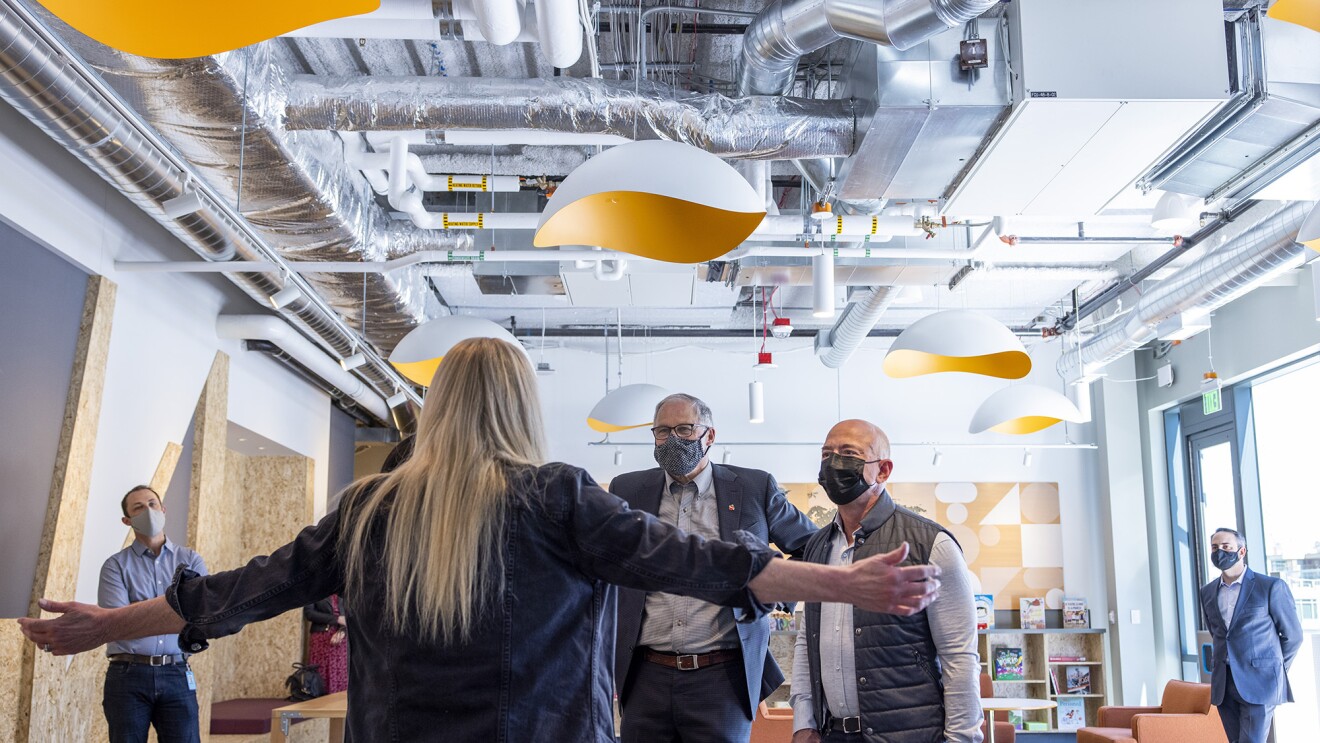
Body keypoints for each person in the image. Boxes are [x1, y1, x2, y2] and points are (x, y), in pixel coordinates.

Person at [19, 338, 941, 742]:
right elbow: (696, 562)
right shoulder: (556, 497)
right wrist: (841, 584)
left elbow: (238, 591)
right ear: (517, 409)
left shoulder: (371, 508)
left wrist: (105, 626)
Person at [612, 393, 817, 743]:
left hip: (722, 678)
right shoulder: (628, 489)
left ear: (710, 436)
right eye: (662, 431)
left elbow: (812, 547)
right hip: (645, 675)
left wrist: (774, 594)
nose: (672, 439)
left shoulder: (754, 488)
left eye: (684, 428)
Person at [791, 420, 982, 743]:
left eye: (849, 454)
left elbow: (959, 656)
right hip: (832, 734)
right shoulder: (817, 547)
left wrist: (962, 738)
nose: (834, 463)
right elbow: (807, 640)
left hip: (909, 733)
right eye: (827, 454)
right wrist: (804, 721)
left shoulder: (930, 544)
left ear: (883, 471)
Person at [98, 485, 208, 743]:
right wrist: (175, 611)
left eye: (152, 504)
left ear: (163, 509)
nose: (148, 510)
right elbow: (118, 623)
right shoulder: (115, 566)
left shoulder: (190, 560)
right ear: (128, 520)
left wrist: (141, 614)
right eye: (138, 507)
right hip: (128, 675)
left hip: (177, 672)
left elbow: (201, 615)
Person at [1199, 527, 1301, 743]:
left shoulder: (1270, 587)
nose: (1220, 552)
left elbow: (1293, 636)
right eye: (1215, 547)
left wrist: (1274, 670)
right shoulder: (1207, 592)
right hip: (1224, 684)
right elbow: (1218, 633)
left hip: (1260, 682)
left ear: (1242, 551)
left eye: (1226, 547)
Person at [303, 595, 348, 693]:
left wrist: (343, 631)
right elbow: (309, 613)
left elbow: (350, 615)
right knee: (321, 671)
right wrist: (336, 619)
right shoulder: (314, 590)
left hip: (341, 638)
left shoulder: (345, 590)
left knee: (340, 672)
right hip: (320, 637)